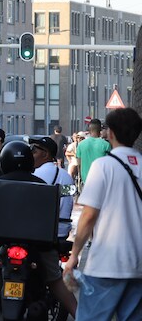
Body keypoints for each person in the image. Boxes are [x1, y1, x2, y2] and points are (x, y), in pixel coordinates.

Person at [63, 107, 142, 320]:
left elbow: (88, 216)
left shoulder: (104, 166)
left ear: (111, 133)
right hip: (139, 265)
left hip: (107, 264)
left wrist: (74, 256)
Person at [0, 141, 78, 317]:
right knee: (55, 280)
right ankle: (80, 315)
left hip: (3, 245)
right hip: (40, 247)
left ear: (3, 161)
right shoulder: (43, 186)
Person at [29, 136, 74, 240]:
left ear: (45, 154)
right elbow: (67, 202)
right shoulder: (66, 176)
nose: (31, 155)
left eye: (34, 151)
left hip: (42, 232)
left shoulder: (35, 175)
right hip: (63, 230)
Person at [77, 118, 112, 186]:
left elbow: (79, 164)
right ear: (100, 130)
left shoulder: (81, 145)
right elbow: (109, 164)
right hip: (101, 181)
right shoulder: (106, 145)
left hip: (86, 181)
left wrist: (80, 177)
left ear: (89, 130)